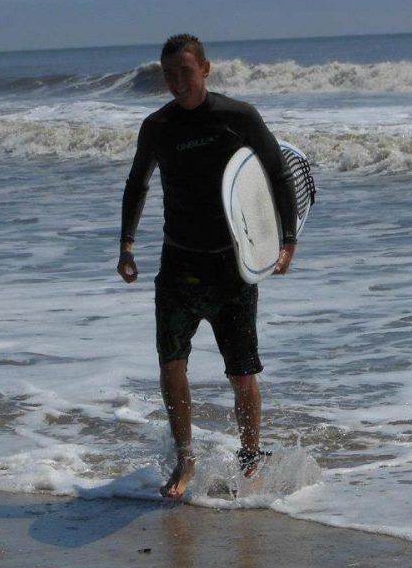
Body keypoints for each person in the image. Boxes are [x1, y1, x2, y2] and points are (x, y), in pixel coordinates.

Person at [117, 33, 297, 500]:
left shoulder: (237, 117)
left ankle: (251, 457)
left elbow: (276, 173)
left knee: (242, 372)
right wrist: (126, 244)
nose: (177, 81)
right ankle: (185, 457)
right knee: (171, 363)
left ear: (205, 69)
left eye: (185, 71)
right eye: (169, 74)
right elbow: (137, 184)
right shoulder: (157, 126)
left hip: (231, 266)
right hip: (178, 264)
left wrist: (287, 242)